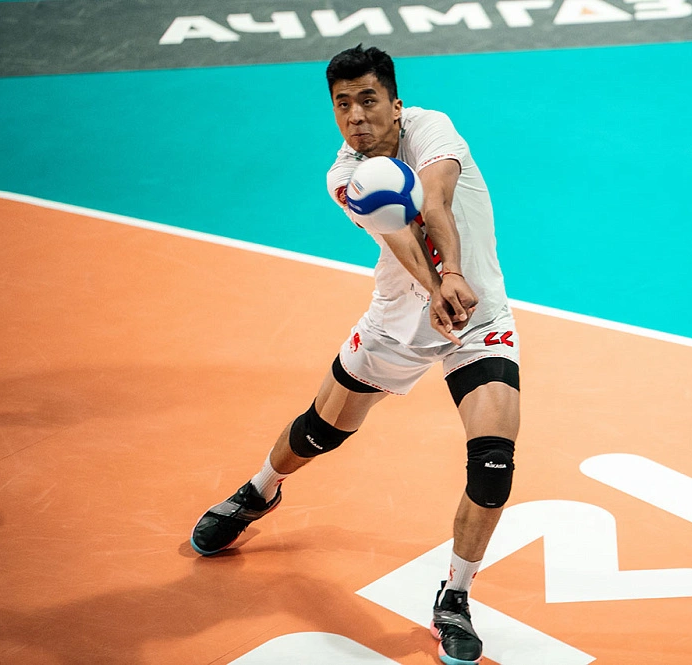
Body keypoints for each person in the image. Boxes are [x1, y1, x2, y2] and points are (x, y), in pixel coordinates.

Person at [190, 44, 520, 665]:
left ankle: (454, 596)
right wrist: (438, 287)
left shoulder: (431, 128)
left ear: (395, 104)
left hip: (480, 318)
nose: (356, 116)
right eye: (342, 105)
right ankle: (261, 488)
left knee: (493, 464)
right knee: (318, 432)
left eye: (368, 100)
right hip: (398, 324)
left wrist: (454, 277)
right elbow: (400, 235)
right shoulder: (345, 175)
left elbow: (436, 200)